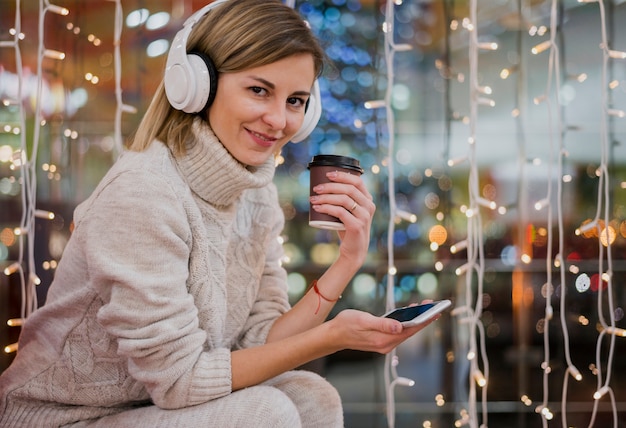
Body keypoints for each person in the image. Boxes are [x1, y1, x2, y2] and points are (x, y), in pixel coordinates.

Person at [0, 1, 438, 426]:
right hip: (64, 417)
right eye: (259, 90)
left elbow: (258, 340)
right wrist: (332, 337)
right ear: (197, 85)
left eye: (296, 100)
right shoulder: (142, 193)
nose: (279, 119)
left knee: (311, 394)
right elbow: (179, 381)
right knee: (267, 412)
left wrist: (347, 262)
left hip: (148, 410)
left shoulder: (255, 196)